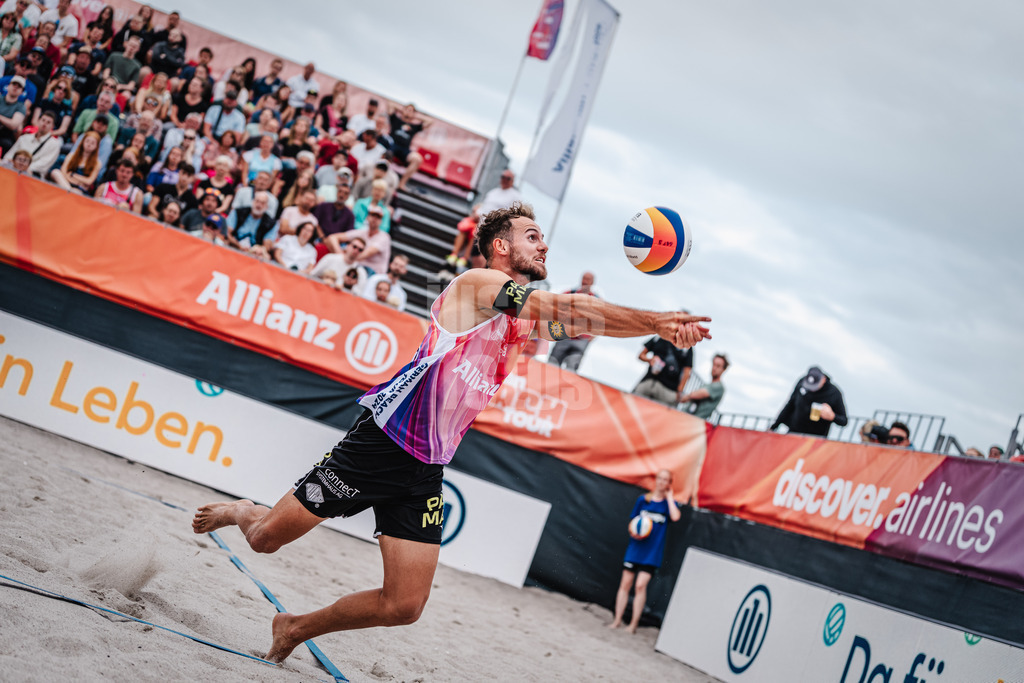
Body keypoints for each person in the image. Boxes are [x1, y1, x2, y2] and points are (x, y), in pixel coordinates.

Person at [191, 201, 712, 663]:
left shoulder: (522, 317)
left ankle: (295, 627)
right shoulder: (477, 285)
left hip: (425, 467)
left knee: (404, 605)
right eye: (533, 235)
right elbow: (565, 307)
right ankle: (242, 510)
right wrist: (658, 318)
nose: (544, 242)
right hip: (380, 443)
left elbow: (586, 320)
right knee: (264, 539)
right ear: (501, 246)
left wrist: (655, 326)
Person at [608, 469, 681, 634]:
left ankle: (633, 625)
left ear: (669, 484)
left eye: (665, 480)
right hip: (636, 548)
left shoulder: (669, 505)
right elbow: (632, 522)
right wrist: (634, 531)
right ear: (656, 480)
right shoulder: (643, 500)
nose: (662, 482)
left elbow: (676, 517)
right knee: (625, 584)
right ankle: (617, 620)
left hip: (652, 553)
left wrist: (670, 497)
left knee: (640, 586)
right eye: (660, 479)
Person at [770, 366, 849, 438]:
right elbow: (790, 405)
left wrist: (832, 416)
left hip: (815, 438)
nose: (812, 389)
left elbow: (844, 421)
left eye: (815, 386)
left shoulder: (834, 392)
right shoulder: (801, 383)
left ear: (823, 379)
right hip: (794, 432)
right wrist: (774, 427)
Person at [546, 272, 598, 372]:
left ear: (592, 282)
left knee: (571, 370)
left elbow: (601, 321)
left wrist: (590, 338)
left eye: (588, 279)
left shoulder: (596, 300)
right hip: (564, 336)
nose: (585, 281)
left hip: (581, 341)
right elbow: (554, 307)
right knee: (552, 365)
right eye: (584, 278)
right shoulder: (570, 293)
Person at [633, 324, 694, 408]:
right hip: (648, 382)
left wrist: (679, 392)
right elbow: (641, 355)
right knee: (632, 407)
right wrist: (650, 360)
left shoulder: (686, 347)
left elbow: (687, 372)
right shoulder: (659, 337)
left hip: (668, 391)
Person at [328, 203, 390, 275]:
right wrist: (339, 254)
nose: (375, 219)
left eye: (378, 217)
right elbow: (333, 237)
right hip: (355, 266)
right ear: (367, 217)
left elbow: (367, 253)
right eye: (373, 215)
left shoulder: (384, 237)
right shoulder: (361, 232)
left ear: (381, 221)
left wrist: (346, 258)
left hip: (373, 272)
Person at [3, 107, 59, 176]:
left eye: (48, 122)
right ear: (38, 121)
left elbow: (43, 165)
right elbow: (9, 156)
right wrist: (14, 164)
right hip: (12, 169)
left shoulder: (54, 144)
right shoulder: (24, 138)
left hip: (32, 175)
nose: (44, 124)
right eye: (43, 120)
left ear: (52, 126)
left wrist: (24, 167)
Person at [679, 354, 729, 420]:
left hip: (694, 422)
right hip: (686, 417)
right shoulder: (707, 385)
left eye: (718, 366)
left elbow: (696, 394)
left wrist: (687, 396)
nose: (714, 368)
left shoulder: (719, 387)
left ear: (723, 369)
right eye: (714, 364)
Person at [0, 72, 25, 153]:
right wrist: (5, 120)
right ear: (8, 86)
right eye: (14, 84)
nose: (15, 87)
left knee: (7, 144)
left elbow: (13, 125)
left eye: (19, 86)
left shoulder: (21, 106)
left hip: (5, 135)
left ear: (21, 91)